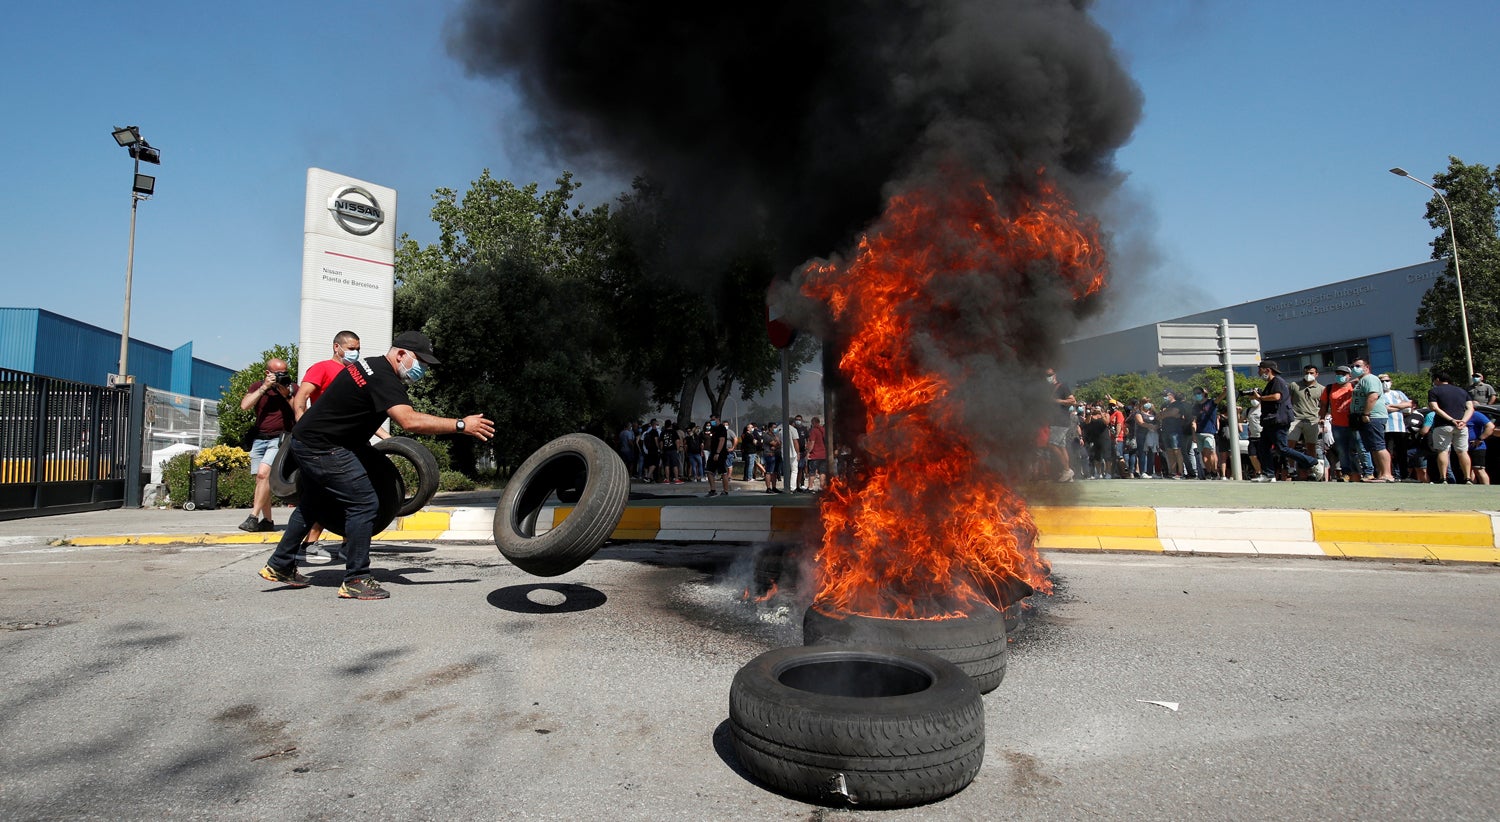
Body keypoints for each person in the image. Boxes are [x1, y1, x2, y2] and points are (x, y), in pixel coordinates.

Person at [257, 331, 495, 599]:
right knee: (363, 503)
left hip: (309, 441)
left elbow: (358, 410)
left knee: (312, 503)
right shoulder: (384, 377)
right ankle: (356, 578)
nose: (423, 369)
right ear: (401, 354)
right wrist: (461, 425)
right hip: (325, 447)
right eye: (421, 362)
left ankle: (280, 564)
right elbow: (409, 421)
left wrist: (381, 439)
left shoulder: (369, 365)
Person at [292, 331, 385, 555]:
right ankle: (313, 544)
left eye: (358, 348)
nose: (356, 353)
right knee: (341, 496)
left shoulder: (354, 373)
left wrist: (389, 439)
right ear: (337, 347)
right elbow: (300, 398)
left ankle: (345, 545)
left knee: (341, 497)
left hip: (347, 442)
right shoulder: (322, 368)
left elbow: (360, 416)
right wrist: (304, 430)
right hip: (324, 443)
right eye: (352, 348)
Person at [238, 357, 297, 532]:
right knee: (261, 480)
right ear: (268, 373)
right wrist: (264, 387)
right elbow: (244, 406)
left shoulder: (292, 387)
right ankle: (268, 521)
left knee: (264, 475)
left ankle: (253, 517)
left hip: (280, 439)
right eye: (279, 374)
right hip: (260, 438)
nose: (283, 376)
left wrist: (287, 394)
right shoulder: (257, 386)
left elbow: (299, 409)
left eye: (285, 373)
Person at [1251, 360, 1322, 482]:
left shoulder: (1277, 381)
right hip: (1269, 421)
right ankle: (1269, 474)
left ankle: (1313, 462)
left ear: (1267, 370)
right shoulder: (1271, 383)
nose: (1258, 372)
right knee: (1263, 448)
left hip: (1278, 420)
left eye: (1260, 369)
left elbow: (1277, 397)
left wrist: (1260, 397)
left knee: (1282, 448)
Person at [1319, 365, 1370, 482]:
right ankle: (1346, 473)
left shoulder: (1355, 386)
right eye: (1338, 373)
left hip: (1354, 423)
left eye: (1343, 374)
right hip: (1337, 424)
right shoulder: (1329, 388)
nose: (1340, 376)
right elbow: (1323, 405)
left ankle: (1365, 472)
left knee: (1358, 449)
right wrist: (1321, 417)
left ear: (1349, 376)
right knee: (1342, 451)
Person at [1349, 358, 1393, 482]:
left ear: (1367, 367)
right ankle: (1380, 474)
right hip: (1364, 417)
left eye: (1358, 365)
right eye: (1353, 366)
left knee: (1379, 446)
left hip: (1373, 417)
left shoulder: (1370, 379)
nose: (1354, 368)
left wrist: (1366, 413)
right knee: (1373, 447)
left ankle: (1387, 474)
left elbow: (1373, 396)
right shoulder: (1362, 380)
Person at [1427, 372, 1475, 485]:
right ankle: (1467, 478)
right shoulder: (1463, 391)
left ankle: (1443, 478)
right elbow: (1470, 408)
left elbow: (1434, 407)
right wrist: (1463, 421)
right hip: (1462, 426)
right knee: (1462, 451)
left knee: (1443, 450)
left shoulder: (1434, 391)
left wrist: (1451, 420)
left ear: (1437, 379)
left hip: (1443, 425)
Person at [1288, 364, 1324, 480]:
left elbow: (1323, 406)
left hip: (1312, 419)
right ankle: (1291, 467)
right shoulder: (1294, 385)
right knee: (1290, 444)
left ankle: (1311, 469)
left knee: (1311, 446)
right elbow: (1287, 401)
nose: (1309, 375)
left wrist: (1322, 418)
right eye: (1306, 372)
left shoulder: (1322, 389)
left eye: (1311, 373)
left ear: (1317, 374)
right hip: (1296, 418)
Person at [1378, 373, 1414, 479]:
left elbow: (1409, 405)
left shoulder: (1398, 393)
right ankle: (1390, 474)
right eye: (1382, 381)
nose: (1385, 383)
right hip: (1386, 428)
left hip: (1400, 428)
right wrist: (1400, 407)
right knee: (1388, 453)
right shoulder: (1378, 394)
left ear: (1391, 382)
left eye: (1387, 381)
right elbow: (1383, 408)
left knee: (1402, 453)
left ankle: (1404, 475)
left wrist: (1393, 406)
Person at [1044, 368, 1076, 482]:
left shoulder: (1062, 386)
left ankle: (1067, 470)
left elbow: (1073, 401)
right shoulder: (1048, 389)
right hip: (1054, 421)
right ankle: (1067, 474)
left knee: (1052, 444)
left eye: (1050, 375)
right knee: (1061, 447)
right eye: (1046, 375)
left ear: (1055, 375)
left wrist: (1057, 401)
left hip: (1061, 422)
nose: (1048, 377)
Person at [1191, 386, 1219, 480]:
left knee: (1209, 452)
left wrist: (1226, 392)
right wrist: (1194, 434)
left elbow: (1219, 399)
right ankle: (1209, 472)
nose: (1197, 395)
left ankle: (1214, 472)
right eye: (1195, 394)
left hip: (1209, 432)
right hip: (1199, 433)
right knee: (1204, 454)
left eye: (1198, 393)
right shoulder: (1195, 406)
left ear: (1203, 393)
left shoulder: (1211, 402)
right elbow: (1193, 421)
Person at [705, 414, 732, 497]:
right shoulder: (714, 429)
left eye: (713, 420)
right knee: (709, 471)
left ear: (718, 419)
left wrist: (718, 452)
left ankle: (725, 490)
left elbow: (722, 440)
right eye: (711, 420)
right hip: (713, 452)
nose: (712, 422)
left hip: (720, 453)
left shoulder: (721, 428)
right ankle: (713, 490)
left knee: (723, 472)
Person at [1466, 409, 1494, 484]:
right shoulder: (1460, 415)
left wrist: (1479, 439)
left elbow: (1491, 427)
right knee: (1469, 471)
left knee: (1479, 469)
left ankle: (1486, 490)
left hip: (1477, 447)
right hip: (1464, 448)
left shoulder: (1475, 415)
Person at [805, 416, 828, 492]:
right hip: (824, 454)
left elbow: (812, 443)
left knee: (812, 472)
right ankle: (821, 487)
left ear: (813, 423)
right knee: (822, 472)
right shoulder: (824, 430)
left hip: (815, 455)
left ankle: (810, 487)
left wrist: (808, 452)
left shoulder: (814, 431)